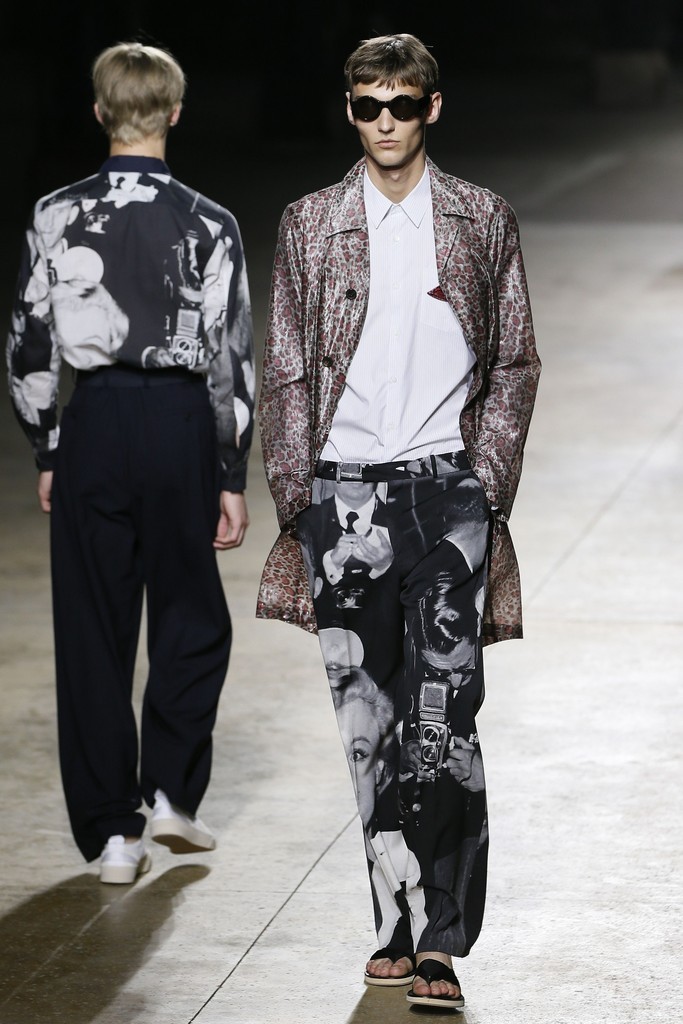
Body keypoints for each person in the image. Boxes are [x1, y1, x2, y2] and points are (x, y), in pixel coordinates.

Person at [256, 31, 540, 1011]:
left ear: (431, 108)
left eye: (402, 105)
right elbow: (284, 366)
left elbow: (514, 360)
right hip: (341, 500)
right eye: (368, 105)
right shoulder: (310, 223)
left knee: (443, 718)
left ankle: (441, 943)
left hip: (445, 497)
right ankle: (392, 921)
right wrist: (297, 497)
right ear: (348, 110)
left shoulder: (478, 218)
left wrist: (485, 484)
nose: (385, 122)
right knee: (369, 724)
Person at [6, 42, 255, 884]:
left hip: (97, 421)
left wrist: (49, 445)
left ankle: (115, 835)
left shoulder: (55, 213)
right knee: (191, 612)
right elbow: (230, 358)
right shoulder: (209, 222)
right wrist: (229, 474)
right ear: (175, 113)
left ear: (99, 112)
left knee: (93, 626)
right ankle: (172, 794)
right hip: (179, 425)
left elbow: (29, 343)